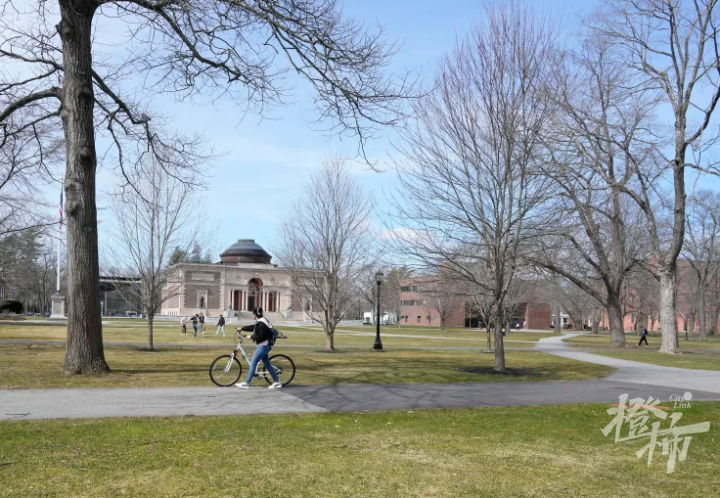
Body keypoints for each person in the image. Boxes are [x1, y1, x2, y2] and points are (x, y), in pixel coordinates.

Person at [235, 307, 281, 389]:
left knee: (253, 363)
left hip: (263, 346)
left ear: (255, 315)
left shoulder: (261, 324)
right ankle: (277, 381)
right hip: (266, 345)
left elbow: (260, 336)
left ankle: (246, 383)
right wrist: (242, 328)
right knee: (268, 365)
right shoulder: (262, 321)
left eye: (253, 314)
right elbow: (254, 327)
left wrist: (250, 336)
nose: (252, 315)